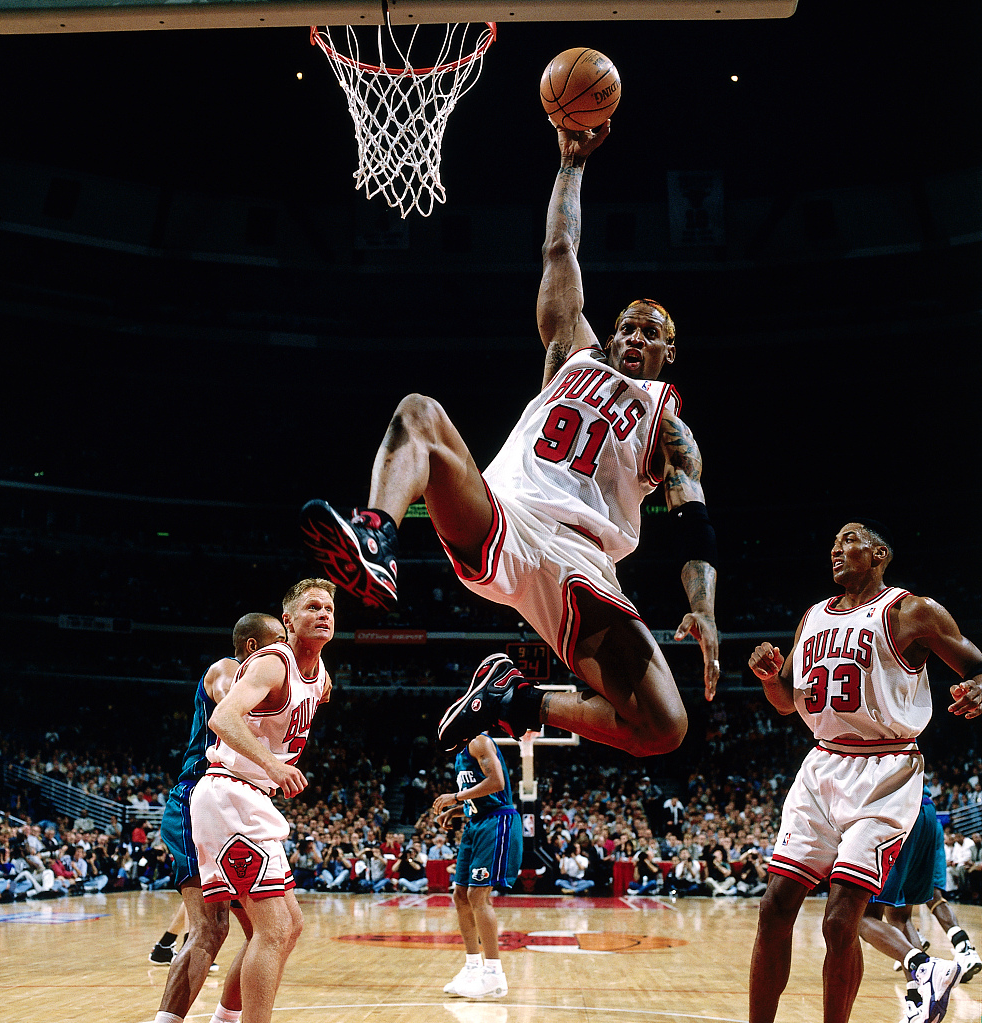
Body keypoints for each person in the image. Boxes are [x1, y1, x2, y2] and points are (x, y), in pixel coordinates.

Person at [300, 119, 719, 761]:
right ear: (609, 336)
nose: (635, 338)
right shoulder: (571, 354)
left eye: (651, 333)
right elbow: (560, 250)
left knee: (665, 728)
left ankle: (513, 699)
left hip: (583, 558)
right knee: (419, 414)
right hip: (508, 517)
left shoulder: (667, 421)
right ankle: (376, 538)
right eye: (627, 328)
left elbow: (693, 520)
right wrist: (571, 164)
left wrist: (703, 608)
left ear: (669, 353)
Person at [747, 519, 982, 1023]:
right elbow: (786, 702)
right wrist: (769, 678)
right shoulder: (811, 616)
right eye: (833, 542)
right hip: (822, 763)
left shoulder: (911, 611)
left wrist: (980, 687)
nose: (836, 548)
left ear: (879, 555)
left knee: (840, 920)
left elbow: (976, 664)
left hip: (886, 768)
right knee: (774, 906)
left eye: (849, 539)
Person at [189, 579, 335, 1023]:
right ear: (288, 620)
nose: (324, 614)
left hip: (251, 799)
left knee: (289, 926)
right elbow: (222, 718)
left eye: (329, 608)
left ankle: (225, 1019)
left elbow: (309, 698)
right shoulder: (273, 662)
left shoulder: (320, 675)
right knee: (273, 928)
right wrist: (273, 765)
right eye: (313, 607)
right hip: (229, 791)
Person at [150, 611, 286, 1023]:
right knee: (209, 929)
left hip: (233, 806)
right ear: (253, 646)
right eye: (279, 640)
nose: (285, 650)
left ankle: (225, 1018)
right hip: (196, 800)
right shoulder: (227, 670)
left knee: (266, 931)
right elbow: (230, 702)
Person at [858, 788, 979, 1023]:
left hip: (895, 811)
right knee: (900, 916)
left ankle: (926, 965)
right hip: (926, 812)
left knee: (861, 918)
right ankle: (919, 1001)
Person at [432, 732, 523, 1000]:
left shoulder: (478, 741)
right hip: (476, 822)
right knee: (460, 895)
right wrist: (458, 810)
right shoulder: (461, 753)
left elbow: (496, 783)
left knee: (477, 895)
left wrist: (456, 797)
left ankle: (494, 974)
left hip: (497, 821)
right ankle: (473, 968)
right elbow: (479, 796)